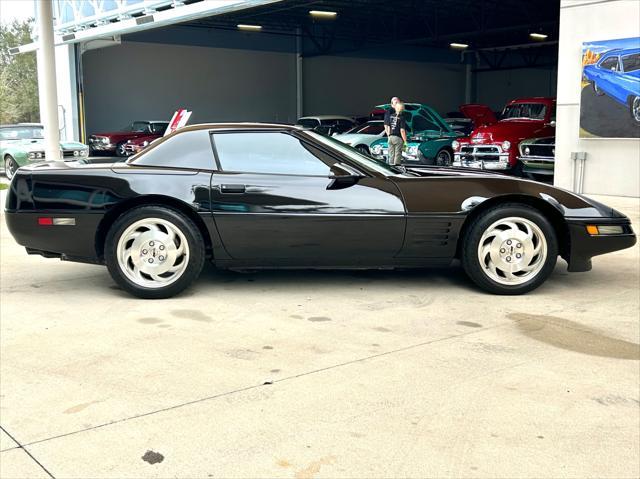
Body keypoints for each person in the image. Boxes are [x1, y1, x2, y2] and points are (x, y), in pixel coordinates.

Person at [384, 100, 407, 166]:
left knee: (391, 154)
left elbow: (388, 126)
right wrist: (405, 141)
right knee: (397, 154)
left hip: (390, 138)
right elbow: (402, 130)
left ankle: (390, 168)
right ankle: (396, 168)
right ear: (402, 109)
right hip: (398, 138)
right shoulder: (402, 118)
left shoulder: (391, 116)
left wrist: (388, 135)